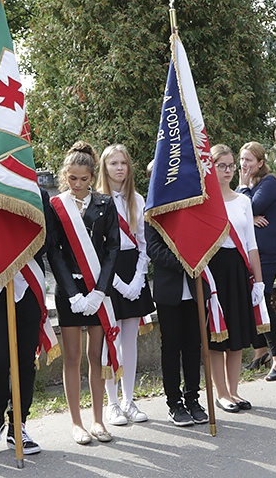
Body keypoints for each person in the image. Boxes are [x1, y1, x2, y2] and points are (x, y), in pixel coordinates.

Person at [47, 142, 120, 444]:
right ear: (65, 176)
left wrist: (100, 291)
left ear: (92, 176)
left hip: (98, 292)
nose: (77, 185)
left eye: (84, 179)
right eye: (72, 178)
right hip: (70, 292)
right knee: (73, 357)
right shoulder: (57, 205)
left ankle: (98, 419)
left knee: (96, 355)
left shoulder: (105, 203)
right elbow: (54, 251)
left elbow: (113, 248)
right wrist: (73, 292)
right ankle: (77, 422)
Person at [0, 189, 53, 457]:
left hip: (26, 283)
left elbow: (47, 238)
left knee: (24, 360)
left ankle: (19, 423)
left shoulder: (34, 192)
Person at [98, 144, 155, 427]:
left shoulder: (138, 199)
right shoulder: (96, 201)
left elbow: (145, 243)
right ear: (104, 168)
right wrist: (119, 283)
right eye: (113, 163)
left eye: (123, 163)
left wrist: (138, 279)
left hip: (134, 270)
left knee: (130, 342)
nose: (119, 168)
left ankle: (129, 399)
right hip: (109, 274)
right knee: (111, 341)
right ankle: (111, 403)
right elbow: (97, 251)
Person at [208, 145, 261, 412]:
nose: (229, 171)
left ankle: (235, 390)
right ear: (211, 167)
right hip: (214, 271)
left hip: (239, 270)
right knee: (218, 336)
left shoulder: (243, 201)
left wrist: (259, 281)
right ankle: (222, 393)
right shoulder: (204, 201)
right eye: (222, 166)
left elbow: (251, 243)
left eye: (232, 166)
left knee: (237, 333)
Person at [146, 222, 208, 427]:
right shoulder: (154, 212)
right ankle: (174, 403)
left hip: (195, 289)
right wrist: (183, 260)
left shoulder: (192, 212)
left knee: (193, 346)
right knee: (171, 348)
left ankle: (193, 398)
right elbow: (153, 248)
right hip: (168, 290)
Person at [236, 142, 276, 381]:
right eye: (242, 160)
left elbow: (250, 206)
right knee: (249, 301)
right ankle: (261, 351)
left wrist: (244, 189)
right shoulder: (247, 186)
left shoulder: (269, 182)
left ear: (260, 163)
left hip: (265, 252)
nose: (244, 164)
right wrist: (248, 214)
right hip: (246, 251)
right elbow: (239, 212)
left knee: (263, 301)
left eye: (249, 160)